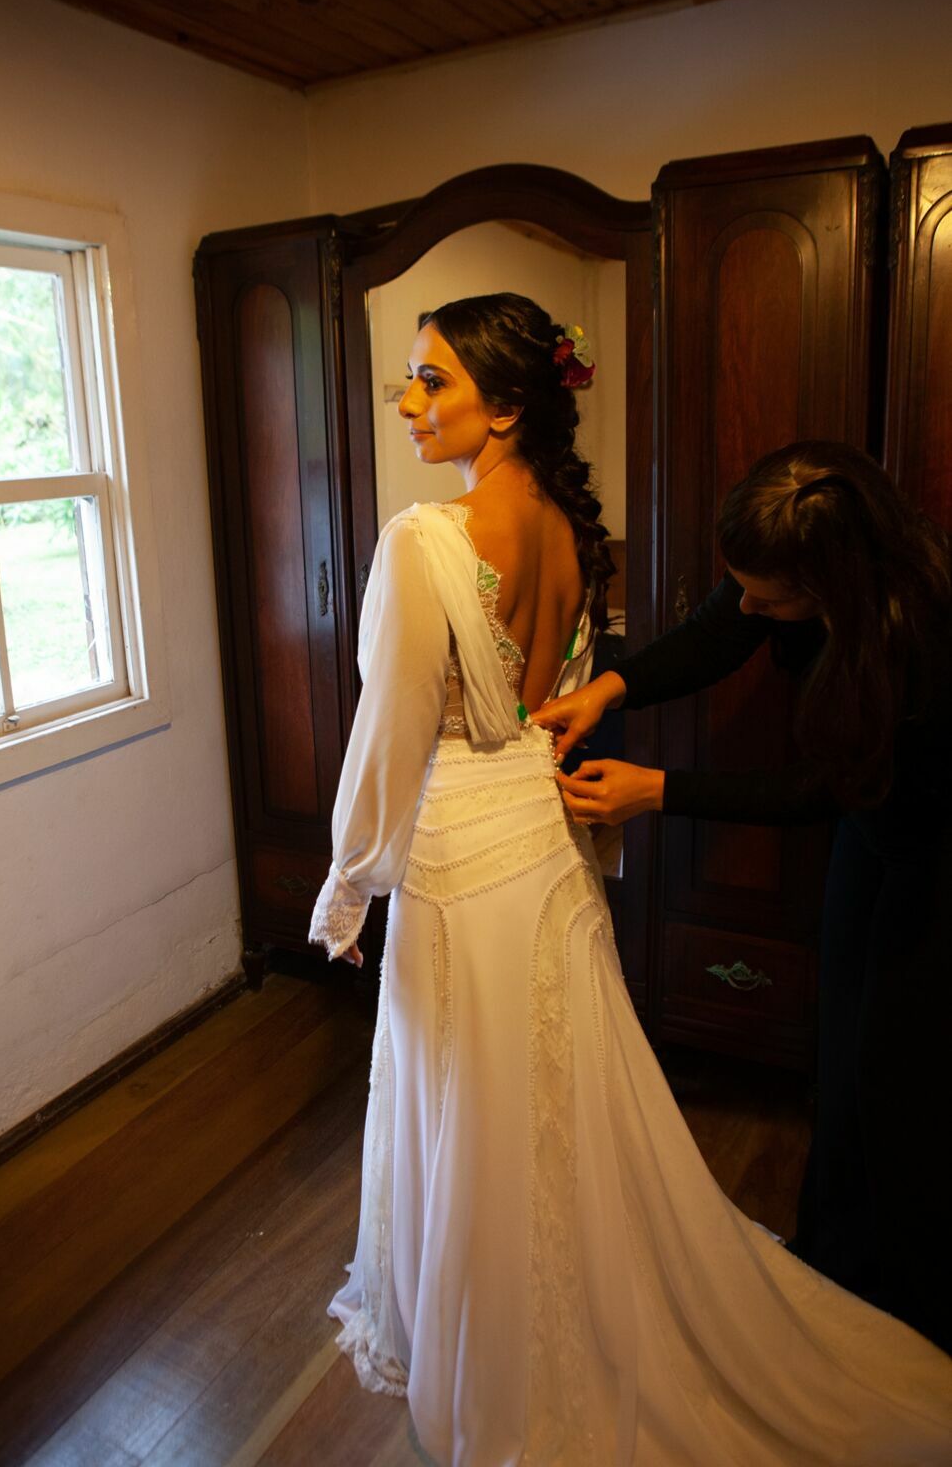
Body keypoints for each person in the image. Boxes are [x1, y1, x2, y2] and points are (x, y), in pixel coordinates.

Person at [308, 301, 952, 1466]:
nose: (406, 404)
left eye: (429, 383)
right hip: (544, 846)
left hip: (472, 849)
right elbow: (684, 638)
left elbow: (391, 730)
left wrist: (350, 881)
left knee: (482, 1102)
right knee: (562, 1101)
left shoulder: (422, 539)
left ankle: (516, 1347)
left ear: (503, 404)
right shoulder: (560, 522)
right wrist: (607, 688)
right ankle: (671, 1287)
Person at [534, 441, 952, 1361]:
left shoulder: (919, 637)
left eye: (772, 600)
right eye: (745, 589)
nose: (753, 611)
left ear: (834, 585)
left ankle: (916, 1311)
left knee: (901, 1080)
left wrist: (661, 792)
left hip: (933, 858)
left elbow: (828, 788)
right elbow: (720, 631)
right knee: (838, 1058)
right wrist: (612, 685)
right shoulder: (789, 578)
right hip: (870, 843)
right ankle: (836, 1264)